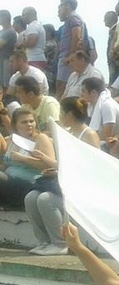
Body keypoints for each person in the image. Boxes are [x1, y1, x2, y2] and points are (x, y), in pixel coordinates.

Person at [24, 97, 100, 256]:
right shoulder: (69, 134)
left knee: (46, 199)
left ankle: (60, 243)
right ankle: (44, 241)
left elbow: (91, 168)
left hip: (83, 188)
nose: (60, 117)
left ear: (70, 115)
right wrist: (56, 171)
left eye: (62, 113)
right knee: (31, 197)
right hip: (66, 183)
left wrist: (47, 161)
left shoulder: (89, 134)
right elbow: (67, 164)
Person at [0, 108, 56, 207]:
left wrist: (23, 159)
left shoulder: (41, 138)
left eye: (31, 121)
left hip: (31, 184)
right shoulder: (11, 140)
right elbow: (5, 165)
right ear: (15, 125)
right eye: (24, 122)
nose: (29, 124)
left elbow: (49, 167)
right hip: (10, 182)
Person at [81, 77, 119, 147]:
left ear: (93, 92)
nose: (81, 94)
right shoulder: (91, 106)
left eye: (83, 91)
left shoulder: (107, 105)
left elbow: (107, 137)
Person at [55, 0, 87, 98]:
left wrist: (71, 56)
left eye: (60, 6)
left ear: (68, 6)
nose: (59, 9)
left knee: (62, 85)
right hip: (66, 57)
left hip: (67, 58)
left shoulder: (73, 18)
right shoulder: (71, 19)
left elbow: (76, 36)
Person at [0, 11, 16, 92]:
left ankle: (6, 102)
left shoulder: (9, 31)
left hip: (6, 60)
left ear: (5, 18)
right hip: (2, 60)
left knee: (6, 84)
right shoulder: (3, 31)